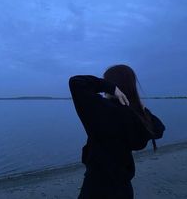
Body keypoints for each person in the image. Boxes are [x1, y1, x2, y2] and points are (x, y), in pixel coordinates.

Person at [69, 64, 166, 199]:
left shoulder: (102, 110)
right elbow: (159, 129)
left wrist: (109, 87)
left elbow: (76, 82)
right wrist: (143, 110)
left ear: (114, 84)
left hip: (96, 187)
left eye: (107, 81)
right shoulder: (134, 116)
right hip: (123, 188)